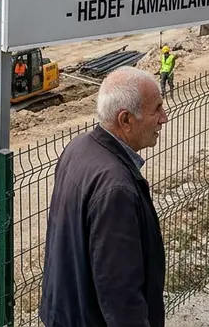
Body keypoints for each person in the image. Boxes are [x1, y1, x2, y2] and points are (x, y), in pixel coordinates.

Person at [38, 67, 169, 327]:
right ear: (126, 120)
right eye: (157, 109)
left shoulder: (79, 148)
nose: (164, 118)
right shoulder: (116, 188)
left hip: (66, 312)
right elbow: (120, 292)